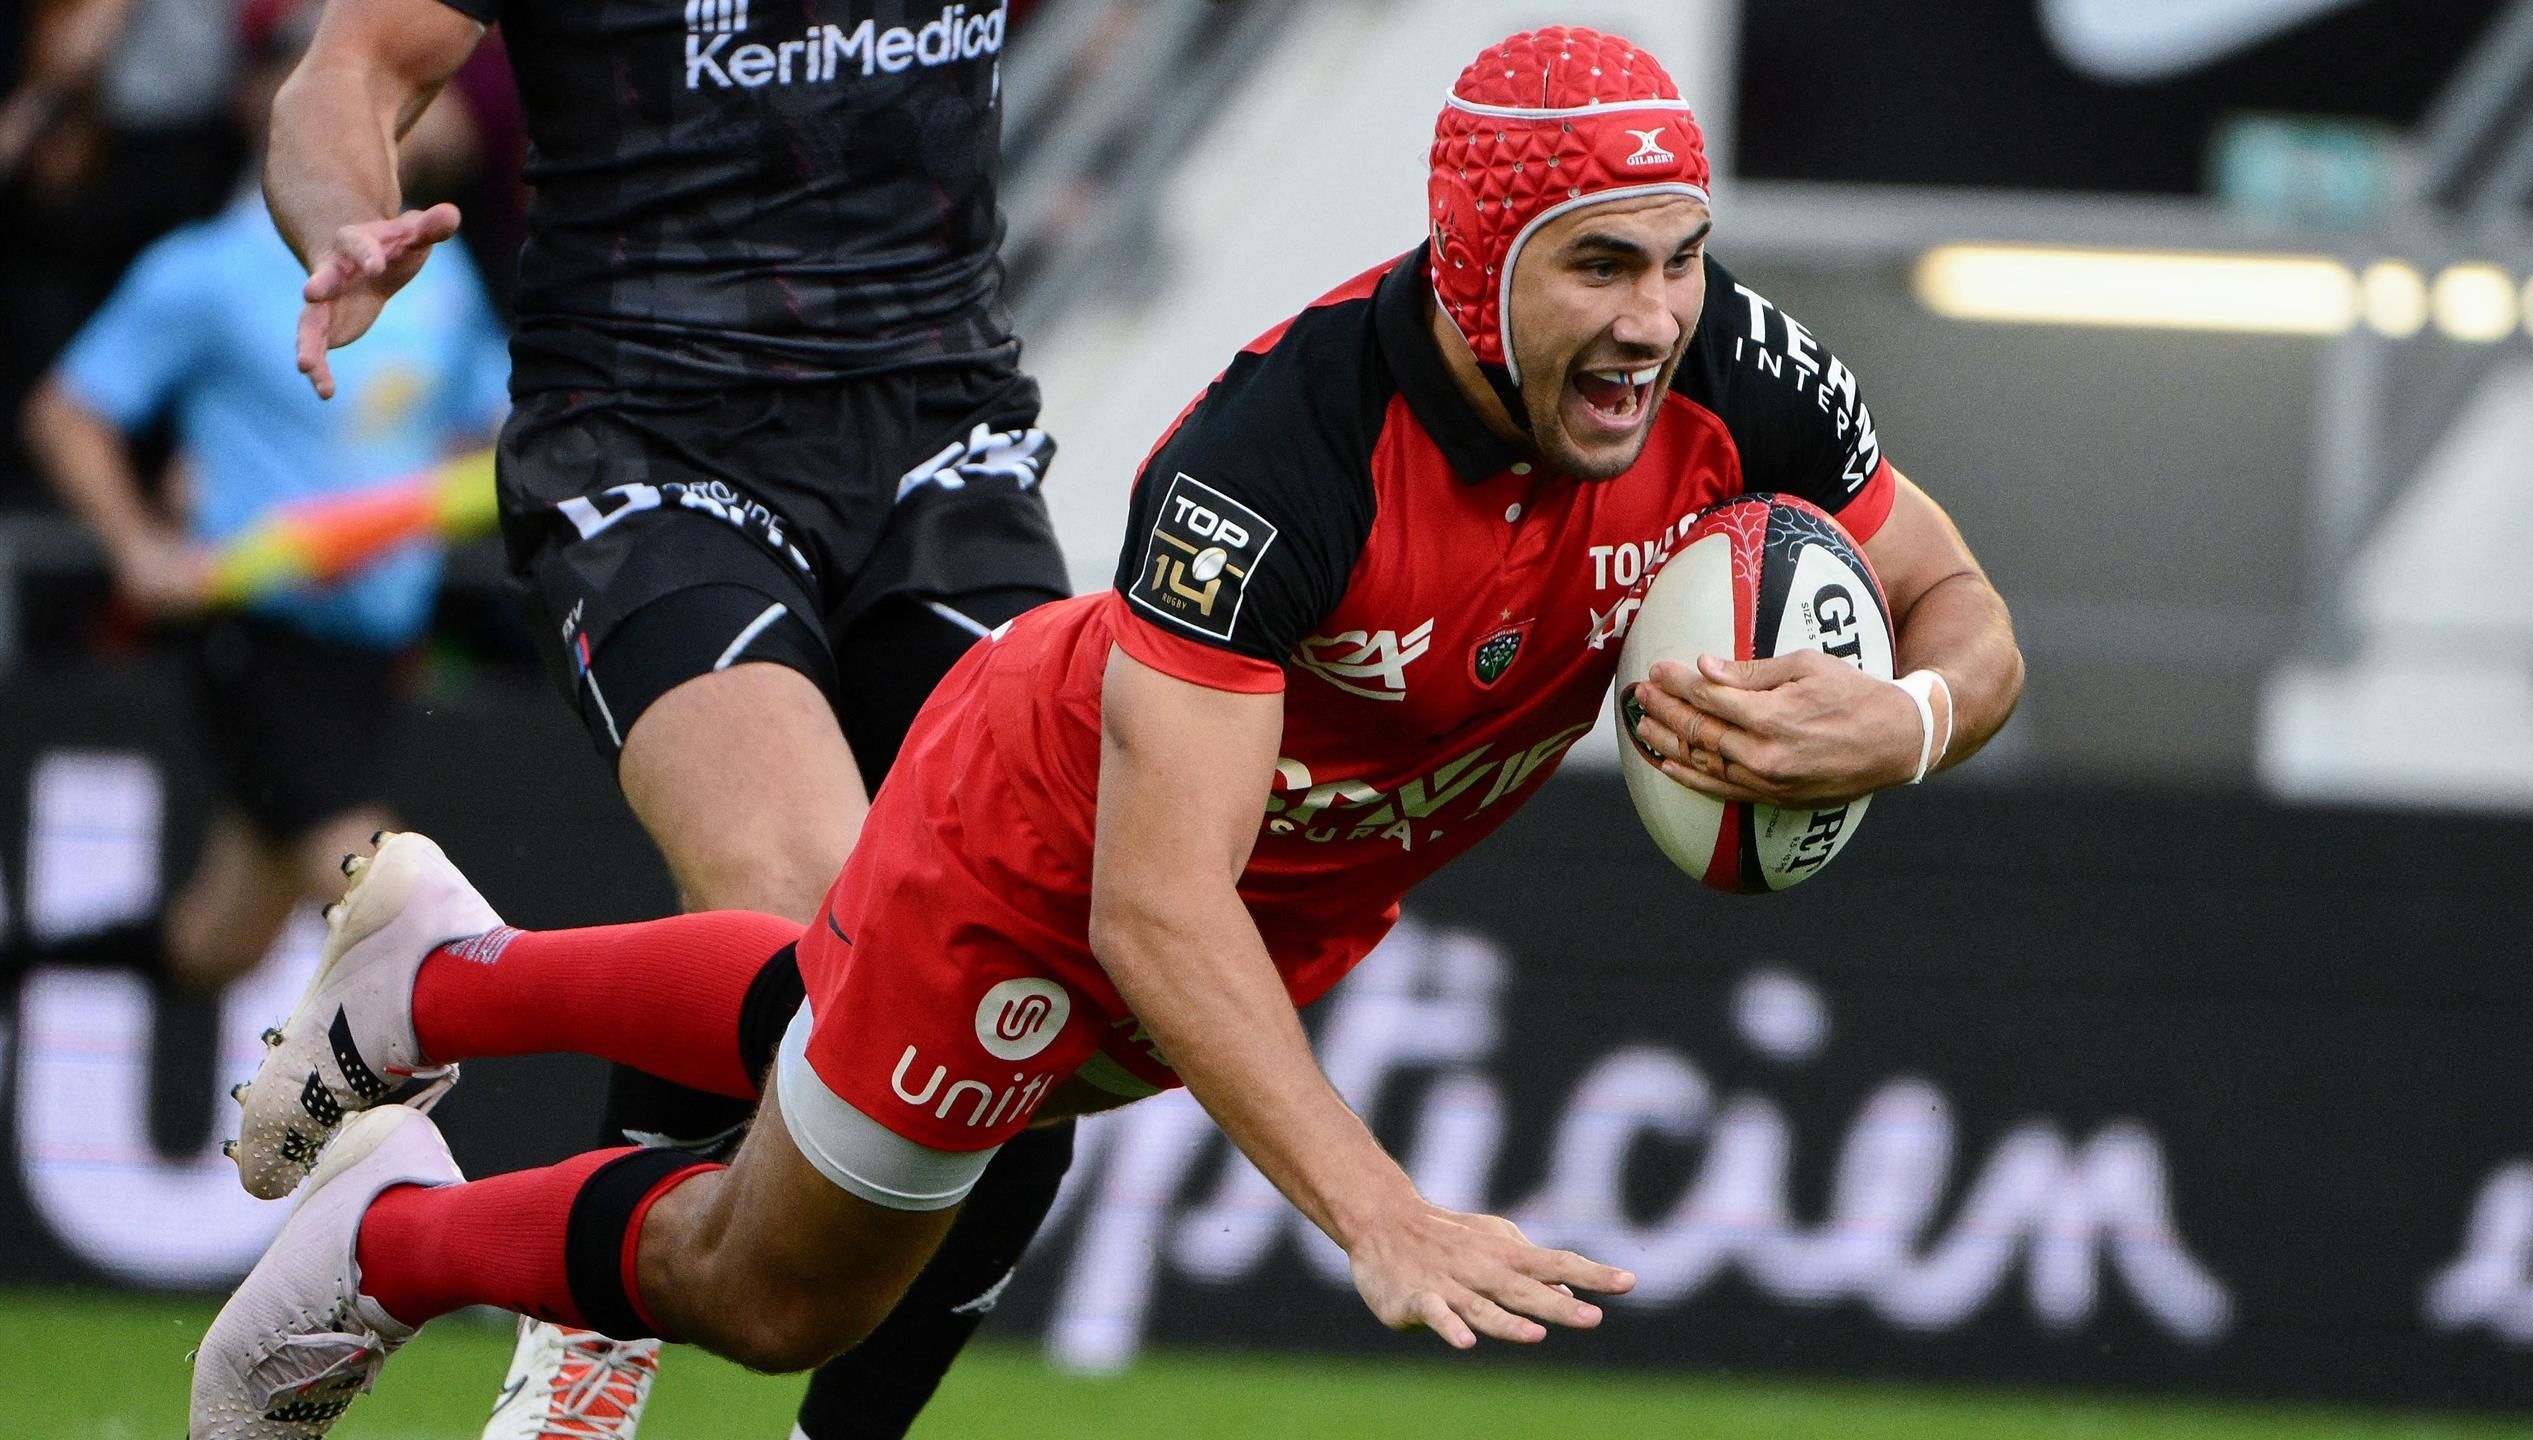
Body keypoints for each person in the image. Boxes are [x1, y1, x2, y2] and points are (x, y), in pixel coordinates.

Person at [191, 25, 2026, 1439]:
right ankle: (396, 1246)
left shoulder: (1735, 372)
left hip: (1208, 796)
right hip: (1034, 838)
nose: (1652, 322)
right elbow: (1153, 909)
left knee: (836, 1018)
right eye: (1598, 269)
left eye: (1680, 261)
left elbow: (1966, 614)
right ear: (1475, 267)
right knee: (779, 1288)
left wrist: (1909, 723)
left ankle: (444, 982)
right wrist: (1376, 1211)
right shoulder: (1276, 462)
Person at [256, 0, 1080, 1435]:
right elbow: (355, 66)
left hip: (942, 434)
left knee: (1046, 979)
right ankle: (584, 1329)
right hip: (648, 432)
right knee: (793, 902)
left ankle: (431, 980)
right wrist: (346, 222)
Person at [12, 0, 506, 1000]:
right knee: (408, 908)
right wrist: (141, 545)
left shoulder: (440, 277)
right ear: (269, 106)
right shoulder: (204, 270)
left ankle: (14, 966)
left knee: (220, 938)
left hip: (372, 648)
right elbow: (67, 414)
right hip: (261, 627)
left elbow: (494, 426)